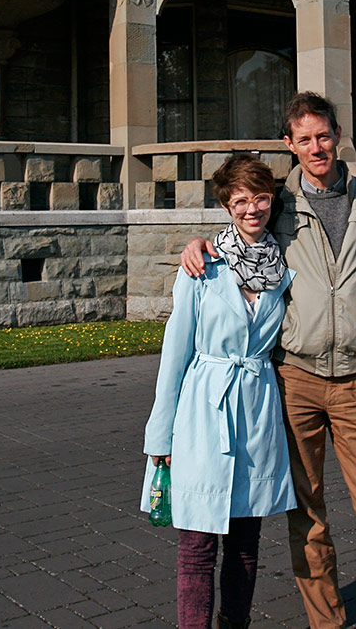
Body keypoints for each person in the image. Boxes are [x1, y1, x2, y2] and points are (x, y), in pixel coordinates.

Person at [180, 92, 356, 628]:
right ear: (288, 145)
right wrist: (196, 243)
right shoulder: (278, 204)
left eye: (324, 135)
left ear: (338, 135)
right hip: (294, 382)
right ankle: (327, 624)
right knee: (307, 520)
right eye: (304, 139)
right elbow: (238, 234)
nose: (316, 147)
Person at [141, 154, 297, 629]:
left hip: (256, 408)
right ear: (226, 205)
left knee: (246, 543)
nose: (253, 209)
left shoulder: (284, 269)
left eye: (261, 198)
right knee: (197, 546)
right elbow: (175, 353)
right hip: (203, 411)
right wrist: (160, 439)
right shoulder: (202, 266)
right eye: (241, 200)